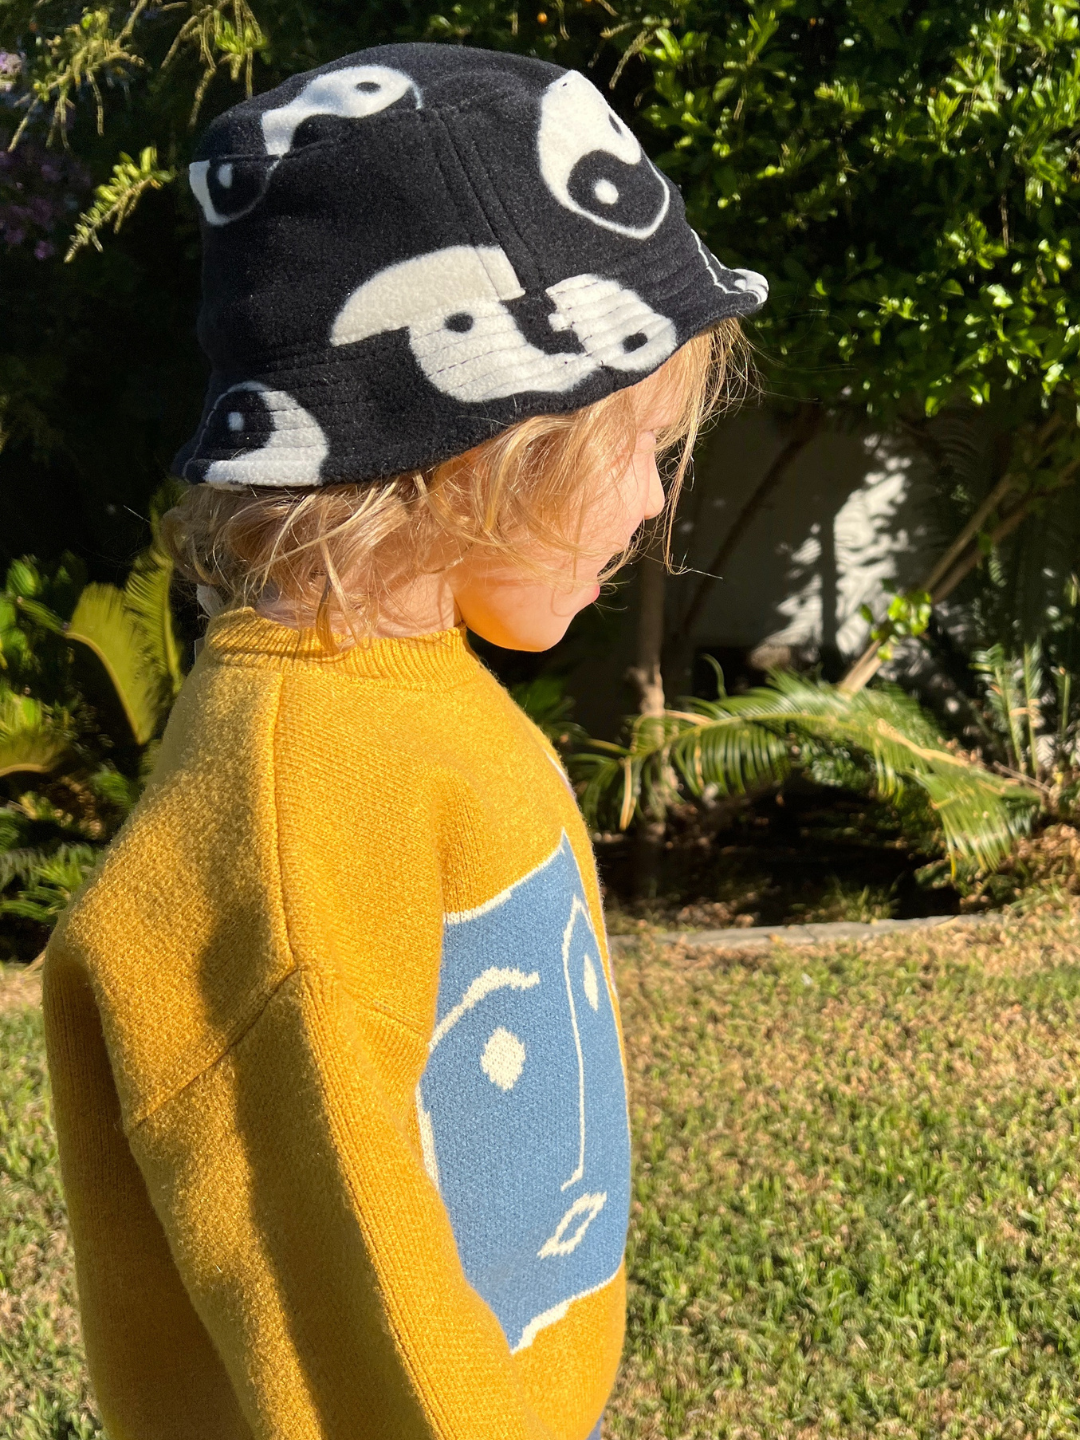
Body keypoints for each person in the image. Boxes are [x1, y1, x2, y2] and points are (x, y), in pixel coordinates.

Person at [41, 41, 766, 1440]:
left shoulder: (404, 686)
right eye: (639, 446)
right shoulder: (297, 805)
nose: (651, 507)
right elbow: (348, 1289)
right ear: (473, 442)